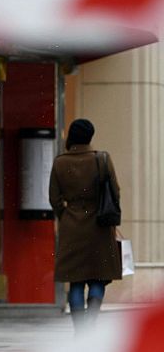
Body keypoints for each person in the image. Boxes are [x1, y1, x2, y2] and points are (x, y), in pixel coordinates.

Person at [49, 119, 122, 334]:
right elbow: (115, 193)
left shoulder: (60, 162)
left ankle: (80, 329)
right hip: (99, 226)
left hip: (72, 228)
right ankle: (91, 322)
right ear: (90, 136)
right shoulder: (101, 159)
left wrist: (67, 215)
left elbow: (54, 198)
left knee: (76, 280)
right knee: (98, 276)